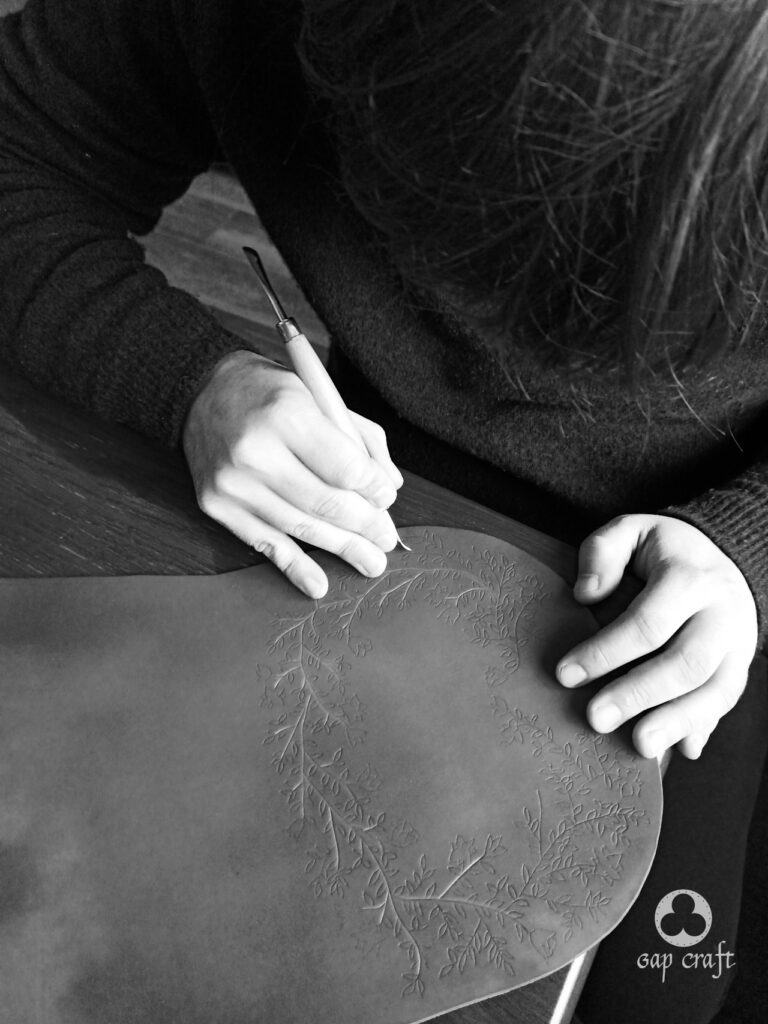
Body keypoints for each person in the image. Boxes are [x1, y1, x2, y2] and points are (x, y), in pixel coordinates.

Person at [0, 2, 766, 1021]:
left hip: (702, 548)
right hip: (365, 466)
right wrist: (189, 380)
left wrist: (749, 545)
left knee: (671, 983)